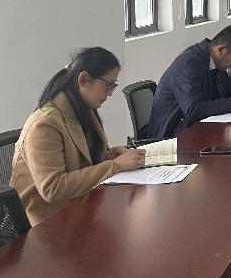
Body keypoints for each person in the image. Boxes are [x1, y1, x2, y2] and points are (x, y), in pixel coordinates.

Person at [10, 48, 145, 225]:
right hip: (46, 222)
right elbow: (53, 188)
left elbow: (80, 159)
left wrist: (109, 156)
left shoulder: (82, 108)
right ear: (83, 79)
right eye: (108, 85)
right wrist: (115, 166)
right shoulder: (45, 124)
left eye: (113, 86)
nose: (110, 93)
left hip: (81, 205)